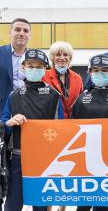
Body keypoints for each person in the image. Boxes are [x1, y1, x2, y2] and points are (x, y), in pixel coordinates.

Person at [1, 49, 64, 211]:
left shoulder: (54, 95)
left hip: (44, 159)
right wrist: (9, 122)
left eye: (39, 66)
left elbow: (62, 128)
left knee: (41, 204)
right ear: (23, 67)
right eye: (30, 65)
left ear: (45, 69)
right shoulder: (13, 96)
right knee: (13, 203)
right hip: (17, 157)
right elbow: (3, 125)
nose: (34, 69)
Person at [73, 55, 108, 211]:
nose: (100, 73)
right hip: (85, 162)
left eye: (104, 70)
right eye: (96, 70)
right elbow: (72, 129)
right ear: (90, 73)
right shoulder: (82, 99)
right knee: (83, 205)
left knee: (107, 205)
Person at [43, 41, 83, 119]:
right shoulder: (44, 76)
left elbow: (80, 102)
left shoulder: (78, 78)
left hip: (72, 123)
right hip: (52, 122)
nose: (62, 58)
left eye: (65, 55)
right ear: (52, 58)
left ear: (70, 58)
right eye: (58, 55)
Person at [0, 18, 31, 117]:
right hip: (2, 111)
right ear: (10, 33)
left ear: (30, 35)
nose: (21, 33)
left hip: (29, 112)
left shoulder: (35, 57)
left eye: (25, 31)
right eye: (17, 29)